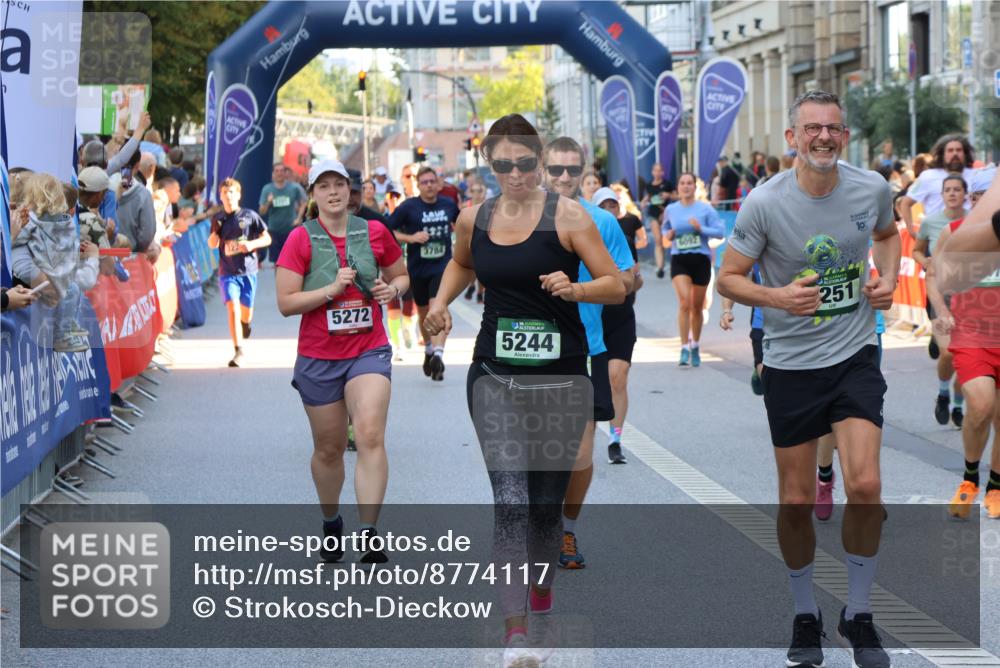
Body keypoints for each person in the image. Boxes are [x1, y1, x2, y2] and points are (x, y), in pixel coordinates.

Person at [422, 114, 624, 668]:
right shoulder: (474, 217)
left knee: (542, 508)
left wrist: (577, 285)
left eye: (526, 163)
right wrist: (440, 304)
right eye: (503, 164)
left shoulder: (570, 217)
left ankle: (541, 597)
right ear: (489, 163)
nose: (515, 174)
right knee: (510, 502)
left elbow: (616, 284)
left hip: (560, 378)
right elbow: (461, 265)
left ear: (540, 161)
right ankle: (516, 634)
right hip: (494, 375)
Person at [718, 90, 899, 668]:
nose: (824, 137)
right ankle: (805, 613)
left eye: (834, 129)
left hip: (854, 356)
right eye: (812, 129)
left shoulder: (870, 187)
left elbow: (889, 236)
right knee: (796, 500)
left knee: (866, 487)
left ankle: (860, 614)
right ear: (792, 138)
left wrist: (887, 281)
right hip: (793, 365)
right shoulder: (764, 203)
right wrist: (775, 296)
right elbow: (728, 278)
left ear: (844, 136)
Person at [275, 159, 409, 564]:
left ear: (351, 192)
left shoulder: (374, 232)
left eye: (340, 185)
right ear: (313, 194)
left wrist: (394, 291)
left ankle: (369, 533)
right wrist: (331, 290)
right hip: (319, 356)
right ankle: (332, 521)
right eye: (323, 186)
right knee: (329, 449)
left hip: (369, 348)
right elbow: (285, 303)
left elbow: (402, 275)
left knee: (369, 435)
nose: (333, 192)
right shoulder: (300, 240)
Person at [543, 137, 634, 569]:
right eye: (555, 169)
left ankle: (566, 530)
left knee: (580, 453)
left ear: (583, 173)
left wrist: (600, 285)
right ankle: (535, 523)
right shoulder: (521, 220)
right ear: (542, 170)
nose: (563, 177)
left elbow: (626, 279)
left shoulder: (602, 220)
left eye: (571, 170)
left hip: (586, 346)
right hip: (533, 352)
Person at [927, 168, 1000, 520]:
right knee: (982, 405)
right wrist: (941, 309)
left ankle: (996, 487)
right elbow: (934, 274)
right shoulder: (954, 232)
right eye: (978, 197)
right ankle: (970, 477)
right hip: (971, 334)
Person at [387, 165, 461, 381]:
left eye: (432, 181)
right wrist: (411, 238)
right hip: (418, 269)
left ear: (438, 184)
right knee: (423, 312)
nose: (429, 185)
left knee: (437, 307)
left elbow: (461, 224)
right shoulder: (409, 207)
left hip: (443, 267)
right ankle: (429, 348)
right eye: (424, 182)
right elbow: (388, 231)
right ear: (418, 186)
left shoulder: (448, 205)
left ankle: (439, 354)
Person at [12, 174, 100, 352]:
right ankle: (61, 335)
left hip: (46, 276)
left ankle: (67, 324)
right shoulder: (27, 221)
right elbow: (17, 249)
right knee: (68, 290)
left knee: (72, 290)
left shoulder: (54, 222)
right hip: (34, 284)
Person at [594, 187, 645, 463]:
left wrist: (634, 278)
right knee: (593, 381)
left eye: (613, 206)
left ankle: (615, 438)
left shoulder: (624, 240)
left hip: (622, 315)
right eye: (604, 206)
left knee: (618, 376)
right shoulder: (584, 239)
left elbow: (637, 282)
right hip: (593, 317)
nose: (610, 211)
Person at [913, 175, 969, 426]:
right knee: (948, 354)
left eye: (957, 189)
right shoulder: (931, 222)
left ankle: (958, 404)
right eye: (948, 190)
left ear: (965, 194)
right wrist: (923, 260)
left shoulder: (975, 221)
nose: (952, 194)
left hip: (970, 298)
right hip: (940, 294)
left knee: (965, 357)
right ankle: (943, 394)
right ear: (943, 194)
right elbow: (917, 248)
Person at [662, 172, 725, 366]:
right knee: (684, 303)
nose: (686, 186)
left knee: (697, 308)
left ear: (695, 187)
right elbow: (665, 230)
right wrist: (669, 234)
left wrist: (701, 229)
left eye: (690, 183)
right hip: (679, 259)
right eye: (682, 183)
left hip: (700, 259)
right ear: (678, 188)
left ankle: (695, 345)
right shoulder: (671, 209)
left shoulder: (705, 209)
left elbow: (720, 231)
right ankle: (683, 347)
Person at [208, 178, 271, 367]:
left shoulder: (250, 216)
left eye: (231, 193)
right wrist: (214, 234)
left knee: (246, 313)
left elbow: (266, 238)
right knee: (233, 307)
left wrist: (251, 244)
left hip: (248, 272)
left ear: (238, 194)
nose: (228, 196)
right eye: (224, 193)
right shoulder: (217, 219)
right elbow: (212, 245)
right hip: (227, 272)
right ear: (220, 196)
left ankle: (245, 324)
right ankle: (238, 351)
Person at [898, 134, 980, 237]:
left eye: (959, 150)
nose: (955, 154)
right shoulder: (927, 177)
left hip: (968, 236)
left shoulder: (977, 176)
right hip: (935, 237)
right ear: (942, 154)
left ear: (965, 153)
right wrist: (912, 232)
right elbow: (905, 203)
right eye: (950, 150)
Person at [259, 162, 308, 268]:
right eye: (277, 171)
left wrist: (299, 217)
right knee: (278, 264)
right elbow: (262, 211)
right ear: (273, 173)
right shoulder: (267, 189)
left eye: (282, 171)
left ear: (285, 173)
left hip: (291, 230)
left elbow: (305, 201)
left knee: (291, 262)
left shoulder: (294, 187)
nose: (279, 173)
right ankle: (280, 284)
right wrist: (268, 202)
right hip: (274, 231)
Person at [641, 162, 676, 280]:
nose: (657, 173)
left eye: (659, 170)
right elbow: (648, 197)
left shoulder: (668, 184)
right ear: (652, 172)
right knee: (658, 240)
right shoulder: (649, 185)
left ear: (663, 172)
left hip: (666, 213)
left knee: (669, 239)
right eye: (655, 170)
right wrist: (644, 201)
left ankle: (673, 262)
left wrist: (668, 195)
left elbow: (677, 196)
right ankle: (660, 267)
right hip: (653, 213)